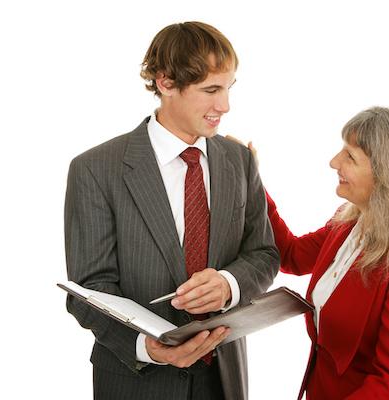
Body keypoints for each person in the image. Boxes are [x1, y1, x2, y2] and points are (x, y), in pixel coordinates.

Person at [64, 21, 279, 400]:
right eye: (211, 90)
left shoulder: (239, 159)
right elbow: (89, 291)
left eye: (228, 88)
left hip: (222, 380)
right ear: (165, 83)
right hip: (135, 383)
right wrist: (148, 347)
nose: (224, 106)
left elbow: (264, 254)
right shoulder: (96, 168)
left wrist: (229, 285)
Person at [235, 106, 389, 399]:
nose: (334, 162)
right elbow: (291, 254)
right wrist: (252, 183)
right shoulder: (349, 223)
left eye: (350, 157)